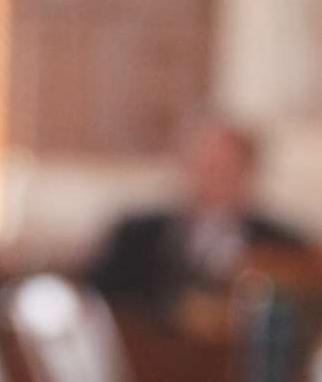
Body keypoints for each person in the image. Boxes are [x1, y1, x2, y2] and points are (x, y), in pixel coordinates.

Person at [85, 116, 307, 312]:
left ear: (250, 171)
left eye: (227, 168)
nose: (215, 179)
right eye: (207, 167)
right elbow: (98, 302)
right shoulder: (136, 236)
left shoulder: (284, 244)